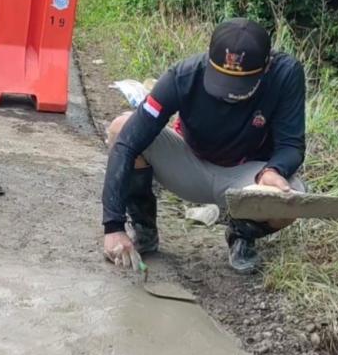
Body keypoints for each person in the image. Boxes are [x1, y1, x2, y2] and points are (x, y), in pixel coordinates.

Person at [101, 18, 307, 274]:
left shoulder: (286, 75)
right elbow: (126, 144)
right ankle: (143, 229)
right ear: (209, 59)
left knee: (293, 198)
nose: (230, 95)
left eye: (240, 86)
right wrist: (113, 227)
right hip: (190, 166)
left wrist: (273, 171)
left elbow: (291, 144)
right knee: (120, 127)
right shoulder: (184, 76)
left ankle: (241, 233)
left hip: (248, 178)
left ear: (266, 66)